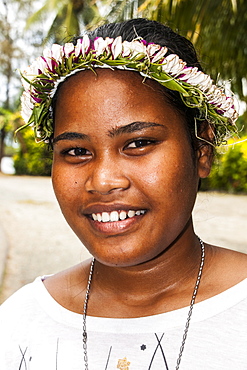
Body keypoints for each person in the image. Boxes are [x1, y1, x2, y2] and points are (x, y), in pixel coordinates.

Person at [0, 18, 246, 370]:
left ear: (201, 150)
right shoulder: (18, 326)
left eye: (138, 143)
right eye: (75, 151)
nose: (102, 181)